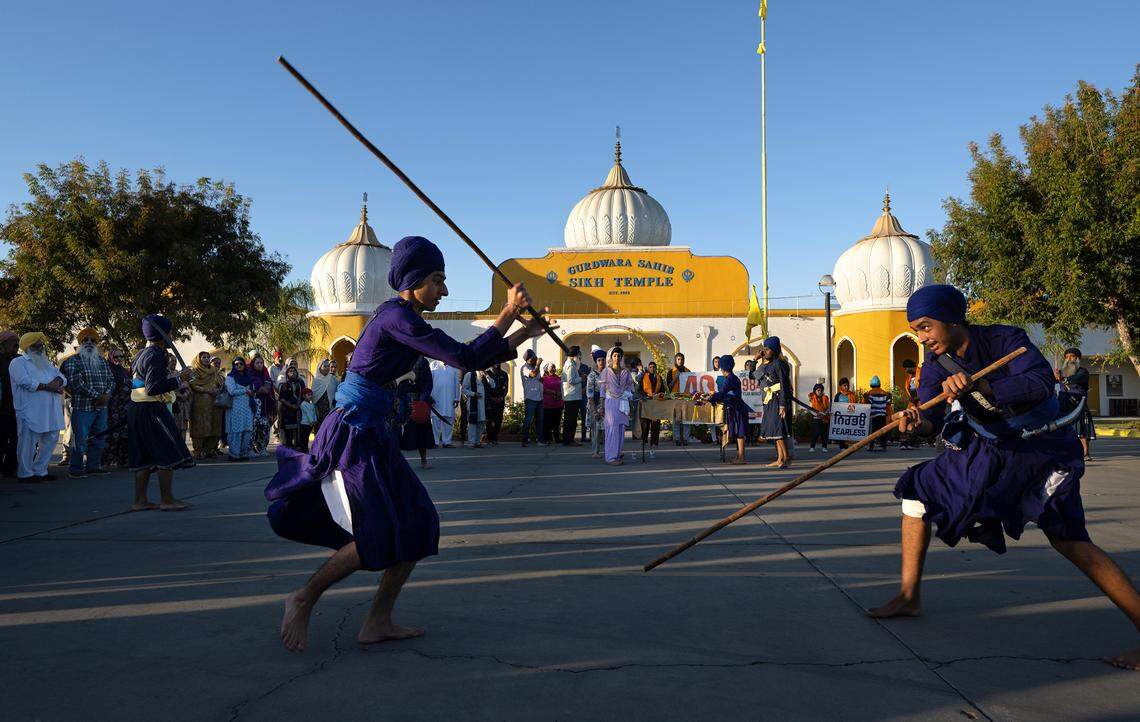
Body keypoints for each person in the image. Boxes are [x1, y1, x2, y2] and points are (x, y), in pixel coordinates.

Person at [266, 234, 550, 652]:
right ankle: (303, 597)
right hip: (353, 435)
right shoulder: (397, 320)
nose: (445, 290)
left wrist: (526, 330)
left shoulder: (403, 318)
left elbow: (472, 357)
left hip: (375, 433)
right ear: (414, 279)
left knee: (417, 524)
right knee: (375, 532)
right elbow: (465, 358)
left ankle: (378, 620)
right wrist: (507, 312)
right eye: (438, 280)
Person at [868, 284, 1140, 671]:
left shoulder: (1005, 338)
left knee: (1069, 540)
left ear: (952, 318)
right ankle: (909, 595)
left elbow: (1040, 384)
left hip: (1041, 451)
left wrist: (983, 385)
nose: (922, 338)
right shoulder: (934, 366)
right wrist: (914, 422)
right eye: (916, 330)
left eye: (927, 327)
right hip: (991, 451)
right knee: (917, 493)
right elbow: (934, 420)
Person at [128, 316, 193, 511]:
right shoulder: (156, 354)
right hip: (152, 410)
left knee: (144, 457)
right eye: (170, 332)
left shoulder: (140, 354)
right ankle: (167, 500)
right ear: (162, 334)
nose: (171, 336)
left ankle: (140, 501)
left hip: (137, 410)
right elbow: (153, 387)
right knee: (166, 452)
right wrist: (179, 379)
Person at [59, 328, 115, 478]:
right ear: (80, 343)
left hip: (102, 407)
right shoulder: (72, 361)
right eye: (85, 340)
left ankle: (93, 466)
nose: (89, 343)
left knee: (99, 437)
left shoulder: (102, 361)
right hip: (82, 407)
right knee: (80, 439)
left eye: (93, 341)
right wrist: (98, 396)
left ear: (97, 344)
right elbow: (77, 384)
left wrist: (107, 395)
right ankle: (76, 469)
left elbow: (111, 380)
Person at [10, 332, 66, 482]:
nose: (40, 348)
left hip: (50, 411)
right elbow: (25, 382)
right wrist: (48, 386)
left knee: (51, 438)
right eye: (36, 345)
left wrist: (58, 382)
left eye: (41, 345)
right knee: (28, 441)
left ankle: (40, 471)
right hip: (29, 410)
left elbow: (63, 378)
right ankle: (25, 473)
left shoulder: (46, 363)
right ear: (27, 347)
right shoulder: (18, 363)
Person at [701, 355, 753, 464]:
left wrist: (710, 398)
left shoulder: (730, 379)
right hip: (736, 407)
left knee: (740, 433)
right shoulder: (732, 377)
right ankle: (739, 457)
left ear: (723, 368)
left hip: (737, 408)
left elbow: (722, 393)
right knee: (739, 432)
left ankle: (742, 458)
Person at [753, 336, 791, 468]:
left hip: (777, 399)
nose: (765, 351)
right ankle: (780, 458)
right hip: (768, 400)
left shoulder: (780, 364)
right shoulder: (765, 365)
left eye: (767, 349)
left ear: (774, 350)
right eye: (764, 349)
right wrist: (755, 360)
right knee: (774, 431)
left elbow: (784, 385)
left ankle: (785, 458)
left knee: (778, 430)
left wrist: (782, 405)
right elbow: (752, 375)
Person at [1057, 347, 1096, 461]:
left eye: (1072, 356)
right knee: (1062, 430)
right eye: (1067, 357)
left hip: (1078, 405)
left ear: (1078, 358)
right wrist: (1054, 376)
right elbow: (1051, 380)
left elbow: (1076, 378)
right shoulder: (1061, 372)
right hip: (1063, 405)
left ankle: (1085, 453)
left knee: (1082, 430)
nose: (1069, 359)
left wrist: (1064, 379)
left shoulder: (1082, 372)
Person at [399, 357, 436, 468]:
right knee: (397, 432)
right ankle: (399, 462)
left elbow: (428, 382)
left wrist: (422, 400)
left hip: (418, 401)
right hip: (401, 400)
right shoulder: (399, 358)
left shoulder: (422, 361)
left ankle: (423, 460)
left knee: (422, 433)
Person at [599, 346, 633, 465]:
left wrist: (627, 397)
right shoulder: (606, 371)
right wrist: (601, 406)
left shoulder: (626, 372)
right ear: (611, 357)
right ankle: (610, 458)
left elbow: (629, 387)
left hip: (623, 402)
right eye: (614, 355)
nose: (617, 358)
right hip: (610, 402)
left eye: (619, 355)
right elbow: (602, 390)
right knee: (612, 428)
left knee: (621, 428)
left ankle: (617, 454)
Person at [189, 351, 225, 458]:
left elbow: (221, 383)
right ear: (198, 359)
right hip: (201, 403)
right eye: (203, 357)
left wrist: (218, 389)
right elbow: (193, 384)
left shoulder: (214, 371)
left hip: (215, 402)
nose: (206, 359)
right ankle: (198, 450)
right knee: (201, 425)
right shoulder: (195, 371)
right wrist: (207, 390)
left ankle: (210, 449)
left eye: (207, 357)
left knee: (214, 424)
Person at [101, 347, 132, 468]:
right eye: (116, 357)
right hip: (113, 407)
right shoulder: (107, 370)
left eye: (121, 356)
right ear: (110, 357)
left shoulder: (124, 371)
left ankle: (123, 460)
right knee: (112, 435)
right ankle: (105, 462)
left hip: (125, 408)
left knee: (125, 435)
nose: (119, 359)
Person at [224, 358, 255, 461]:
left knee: (247, 430)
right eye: (236, 364)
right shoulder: (230, 377)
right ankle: (234, 454)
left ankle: (243, 453)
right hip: (235, 407)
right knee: (236, 430)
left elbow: (253, 388)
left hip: (247, 407)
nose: (239, 366)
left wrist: (251, 391)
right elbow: (232, 391)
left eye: (241, 364)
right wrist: (245, 390)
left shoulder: (247, 376)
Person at [248, 355, 275, 456]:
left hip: (264, 407)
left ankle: (262, 448)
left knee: (265, 426)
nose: (259, 365)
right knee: (252, 428)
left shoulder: (265, 374)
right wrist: (262, 388)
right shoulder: (249, 374)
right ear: (253, 364)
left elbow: (268, 389)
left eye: (261, 363)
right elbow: (260, 389)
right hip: (252, 408)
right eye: (257, 363)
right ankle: (250, 448)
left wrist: (263, 388)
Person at [428, 359, 459, 448]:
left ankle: (447, 442)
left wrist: (457, 398)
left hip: (450, 399)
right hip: (436, 398)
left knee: (449, 419)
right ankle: (435, 442)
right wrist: (429, 397)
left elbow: (457, 383)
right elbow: (429, 382)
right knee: (435, 420)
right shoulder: (433, 364)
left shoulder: (454, 366)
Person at [0, 331, 18, 477]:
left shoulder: (20, 360)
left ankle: (10, 468)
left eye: (17, 344)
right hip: (2, 407)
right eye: (13, 343)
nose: (16, 347)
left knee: (16, 439)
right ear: (3, 344)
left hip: (17, 408)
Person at [462, 367, 494, 448]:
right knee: (473, 423)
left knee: (482, 422)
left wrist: (487, 375)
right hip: (473, 403)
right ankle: (471, 442)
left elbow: (493, 385)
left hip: (484, 404)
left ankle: (477, 441)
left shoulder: (486, 375)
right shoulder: (469, 375)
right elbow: (464, 389)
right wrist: (473, 394)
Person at [278, 366, 307, 450]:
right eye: (290, 371)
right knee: (288, 429)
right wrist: (291, 405)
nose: (292, 373)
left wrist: (298, 404)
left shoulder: (301, 383)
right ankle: (289, 446)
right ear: (287, 373)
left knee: (298, 428)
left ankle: (299, 446)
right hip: (287, 409)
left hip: (299, 408)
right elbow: (281, 398)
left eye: (294, 371)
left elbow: (304, 394)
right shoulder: (284, 385)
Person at [560, 346, 584, 446]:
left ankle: (568, 439)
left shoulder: (572, 363)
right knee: (571, 419)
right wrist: (581, 378)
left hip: (573, 396)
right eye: (578, 353)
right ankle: (569, 440)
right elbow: (571, 380)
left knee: (570, 419)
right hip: (571, 396)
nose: (579, 355)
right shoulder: (570, 365)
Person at [519, 349, 543, 447]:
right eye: (532, 358)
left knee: (540, 420)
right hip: (530, 398)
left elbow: (538, 379)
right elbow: (532, 375)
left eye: (535, 358)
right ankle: (525, 440)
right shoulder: (525, 368)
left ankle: (540, 440)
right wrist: (538, 365)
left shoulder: (535, 367)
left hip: (539, 398)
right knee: (528, 419)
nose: (534, 360)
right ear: (528, 359)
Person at [640, 360, 664, 458]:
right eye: (650, 367)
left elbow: (662, 389)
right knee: (645, 423)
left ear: (656, 368)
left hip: (656, 402)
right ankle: (644, 440)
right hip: (647, 401)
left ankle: (654, 442)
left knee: (655, 423)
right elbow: (640, 389)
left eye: (654, 367)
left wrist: (658, 395)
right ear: (648, 368)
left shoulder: (659, 377)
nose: (652, 368)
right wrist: (644, 396)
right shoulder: (644, 377)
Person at [665, 352, 690, 445]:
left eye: (682, 359)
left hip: (686, 399)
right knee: (677, 420)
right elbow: (668, 388)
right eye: (678, 359)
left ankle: (686, 439)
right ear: (675, 360)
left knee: (686, 419)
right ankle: (677, 439)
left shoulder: (688, 371)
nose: (680, 361)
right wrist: (675, 378)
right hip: (675, 399)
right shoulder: (670, 372)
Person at [586, 347, 606, 458]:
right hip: (595, 404)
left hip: (607, 404)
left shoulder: (609, 374)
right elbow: (590, 394)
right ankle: (595, 451)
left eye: (603, 359)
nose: (601, 362)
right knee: (596, 430)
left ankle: (610, 451)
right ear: (596, 361)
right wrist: (594, 411)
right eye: (599, 360)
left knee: (607, 429)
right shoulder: (592, 375)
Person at [864, 376, 893, 452]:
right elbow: (888, 403)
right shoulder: (885, 394)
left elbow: (867, 404)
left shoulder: (869, 394)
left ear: (871, 384)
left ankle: (871, 445)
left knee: (873, 432)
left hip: (874, 416)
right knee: (882, 431)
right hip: (883, 415)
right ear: (879, 384)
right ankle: (883, 446)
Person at [310, 358, 340, 428]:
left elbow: (337, 392)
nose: (327, 368)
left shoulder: (333, 378)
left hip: (331, 409)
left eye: (328, 366)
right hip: (319, 410)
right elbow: (313, 397)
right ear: (319, 368)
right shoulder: (316, 381)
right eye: (325, 366)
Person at [898, 360, 921, 450]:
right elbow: (909, 388)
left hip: (921, 399)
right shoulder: (909, 377)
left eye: (906, 368)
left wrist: (918, 397)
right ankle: (905, 441)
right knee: (906, 417)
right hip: (912, 400)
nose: (905, 371)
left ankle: (913, 441)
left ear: (911, 367)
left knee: (916, 419)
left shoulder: (922, 373)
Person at [484, 363, 508, 445]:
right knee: (489, 420)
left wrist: (502, 397)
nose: (496, 364)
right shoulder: (487, 373)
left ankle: (495, 438)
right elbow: (486, 388)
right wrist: (491, 397)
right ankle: (489, 438)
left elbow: (506, 387)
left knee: (498, 420)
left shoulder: (503, 374)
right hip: (490, 400)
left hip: (500, 400)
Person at [540, 363, 563, 446]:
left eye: (554, 367)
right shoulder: (544, 379)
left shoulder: (558, 378)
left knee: (557, 422)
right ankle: (547, 438)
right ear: (547, 369)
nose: (553, 369)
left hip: (558, 403)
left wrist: (559, 394)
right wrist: (554, 392)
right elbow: (543, 389)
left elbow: (562, 388)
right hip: (548, 404)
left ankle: (557, 438)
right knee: (548, 423)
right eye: (551, 367)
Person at [808, 383, 830, 452]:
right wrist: (817, 414)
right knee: (815, 433)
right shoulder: (812, 399)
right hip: (816, 418)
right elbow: (810, 409)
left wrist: (825, 413)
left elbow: (828, 407)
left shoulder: (825, 398)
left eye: (821, 390)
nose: (820, 392)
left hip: (824, 418)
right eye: (818, 390)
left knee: (824, 434)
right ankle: (812, 447)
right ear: (815, 391)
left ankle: (824, 447)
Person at [298, 390, 317, 454]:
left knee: (306, 437)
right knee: (304, 438)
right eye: (308, 395)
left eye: (311, 394)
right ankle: (303, 450)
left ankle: (305, 449)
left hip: (310, 424)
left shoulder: (311, 404)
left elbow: (314, 413)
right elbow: (308, 413)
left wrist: (315, 420)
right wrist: (312, 421)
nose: (310, 396)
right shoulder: (303, 404)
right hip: (305, 423)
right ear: (304, 396)